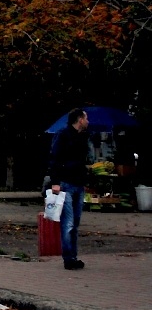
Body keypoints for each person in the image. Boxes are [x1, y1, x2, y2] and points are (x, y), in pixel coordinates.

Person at [48, 108, 90, 270]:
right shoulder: (63, 135)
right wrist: (55, 182)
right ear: (80, 119)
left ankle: (73, 255)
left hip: (78, 183)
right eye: (86, 118)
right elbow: (55, 158)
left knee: (75, 223)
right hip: (65, 183)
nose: (88, 121)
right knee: (68, 223)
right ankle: (68, 258)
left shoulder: (82, 137)